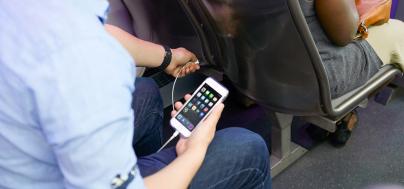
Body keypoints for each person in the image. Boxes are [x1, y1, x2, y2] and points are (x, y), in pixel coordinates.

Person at [0, 1, 271, 189]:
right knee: (245, 147)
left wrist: (167, 57)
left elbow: (97, 30)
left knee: (143, 92)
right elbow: (83, 45)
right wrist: (193, 151)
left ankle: (142, 166)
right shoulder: (79, 63)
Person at [301, 0, 404, 146]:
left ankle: (341, 113)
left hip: (266, 70)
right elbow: (344, 35)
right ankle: (346, 111)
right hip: (320, 77)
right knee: (399, 31)